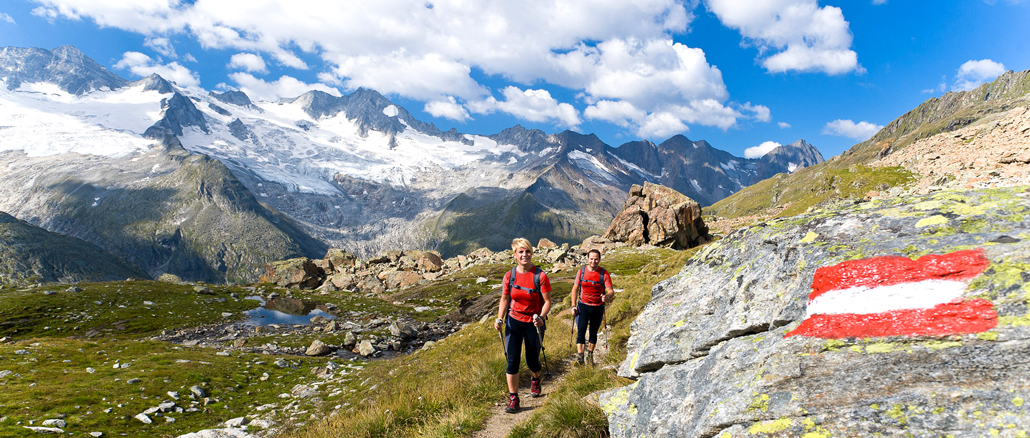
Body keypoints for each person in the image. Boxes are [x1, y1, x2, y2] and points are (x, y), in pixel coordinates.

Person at [494, 238, 552, 414]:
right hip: (513, 322)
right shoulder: (509, 276)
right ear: (515, 255)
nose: (524, 255)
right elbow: (504, 299)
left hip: (534, 324)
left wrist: (541, 317)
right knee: (512, 361)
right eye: (521, 252)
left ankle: (535, 378)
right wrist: (499, 318)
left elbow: (548, 301)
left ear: (531, 253)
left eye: (527, 251)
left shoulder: (540, 276)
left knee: (532, 360)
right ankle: (514, 398)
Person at [570, 249, 614, 366]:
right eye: (591, 259)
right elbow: (575, 289)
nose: (593, 261)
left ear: (599, 260)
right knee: (581, 331)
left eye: (596, 259)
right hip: (583, 306)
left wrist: (607, 296)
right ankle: (580, 358)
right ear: (587, 259)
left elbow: (610, 290)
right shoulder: (581, 272)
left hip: (597, 307)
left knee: (593, 332)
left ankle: (590, 356)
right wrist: (573, 306)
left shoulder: (604, 273)